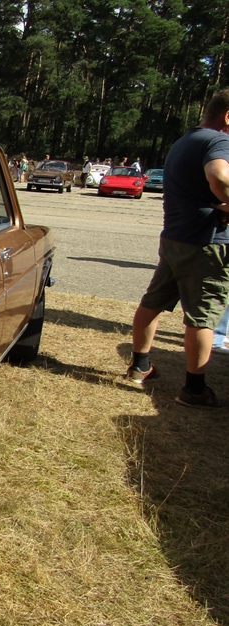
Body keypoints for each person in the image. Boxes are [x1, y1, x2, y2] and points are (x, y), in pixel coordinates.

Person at [126, 88, 229, 408]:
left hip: (175, 238)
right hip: (206, 243)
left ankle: (140, 366)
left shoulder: (185, 140)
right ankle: (194, 390)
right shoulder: (219, 141)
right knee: (202, 317)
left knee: (153, 302)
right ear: (228, 117)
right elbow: (219, 176)